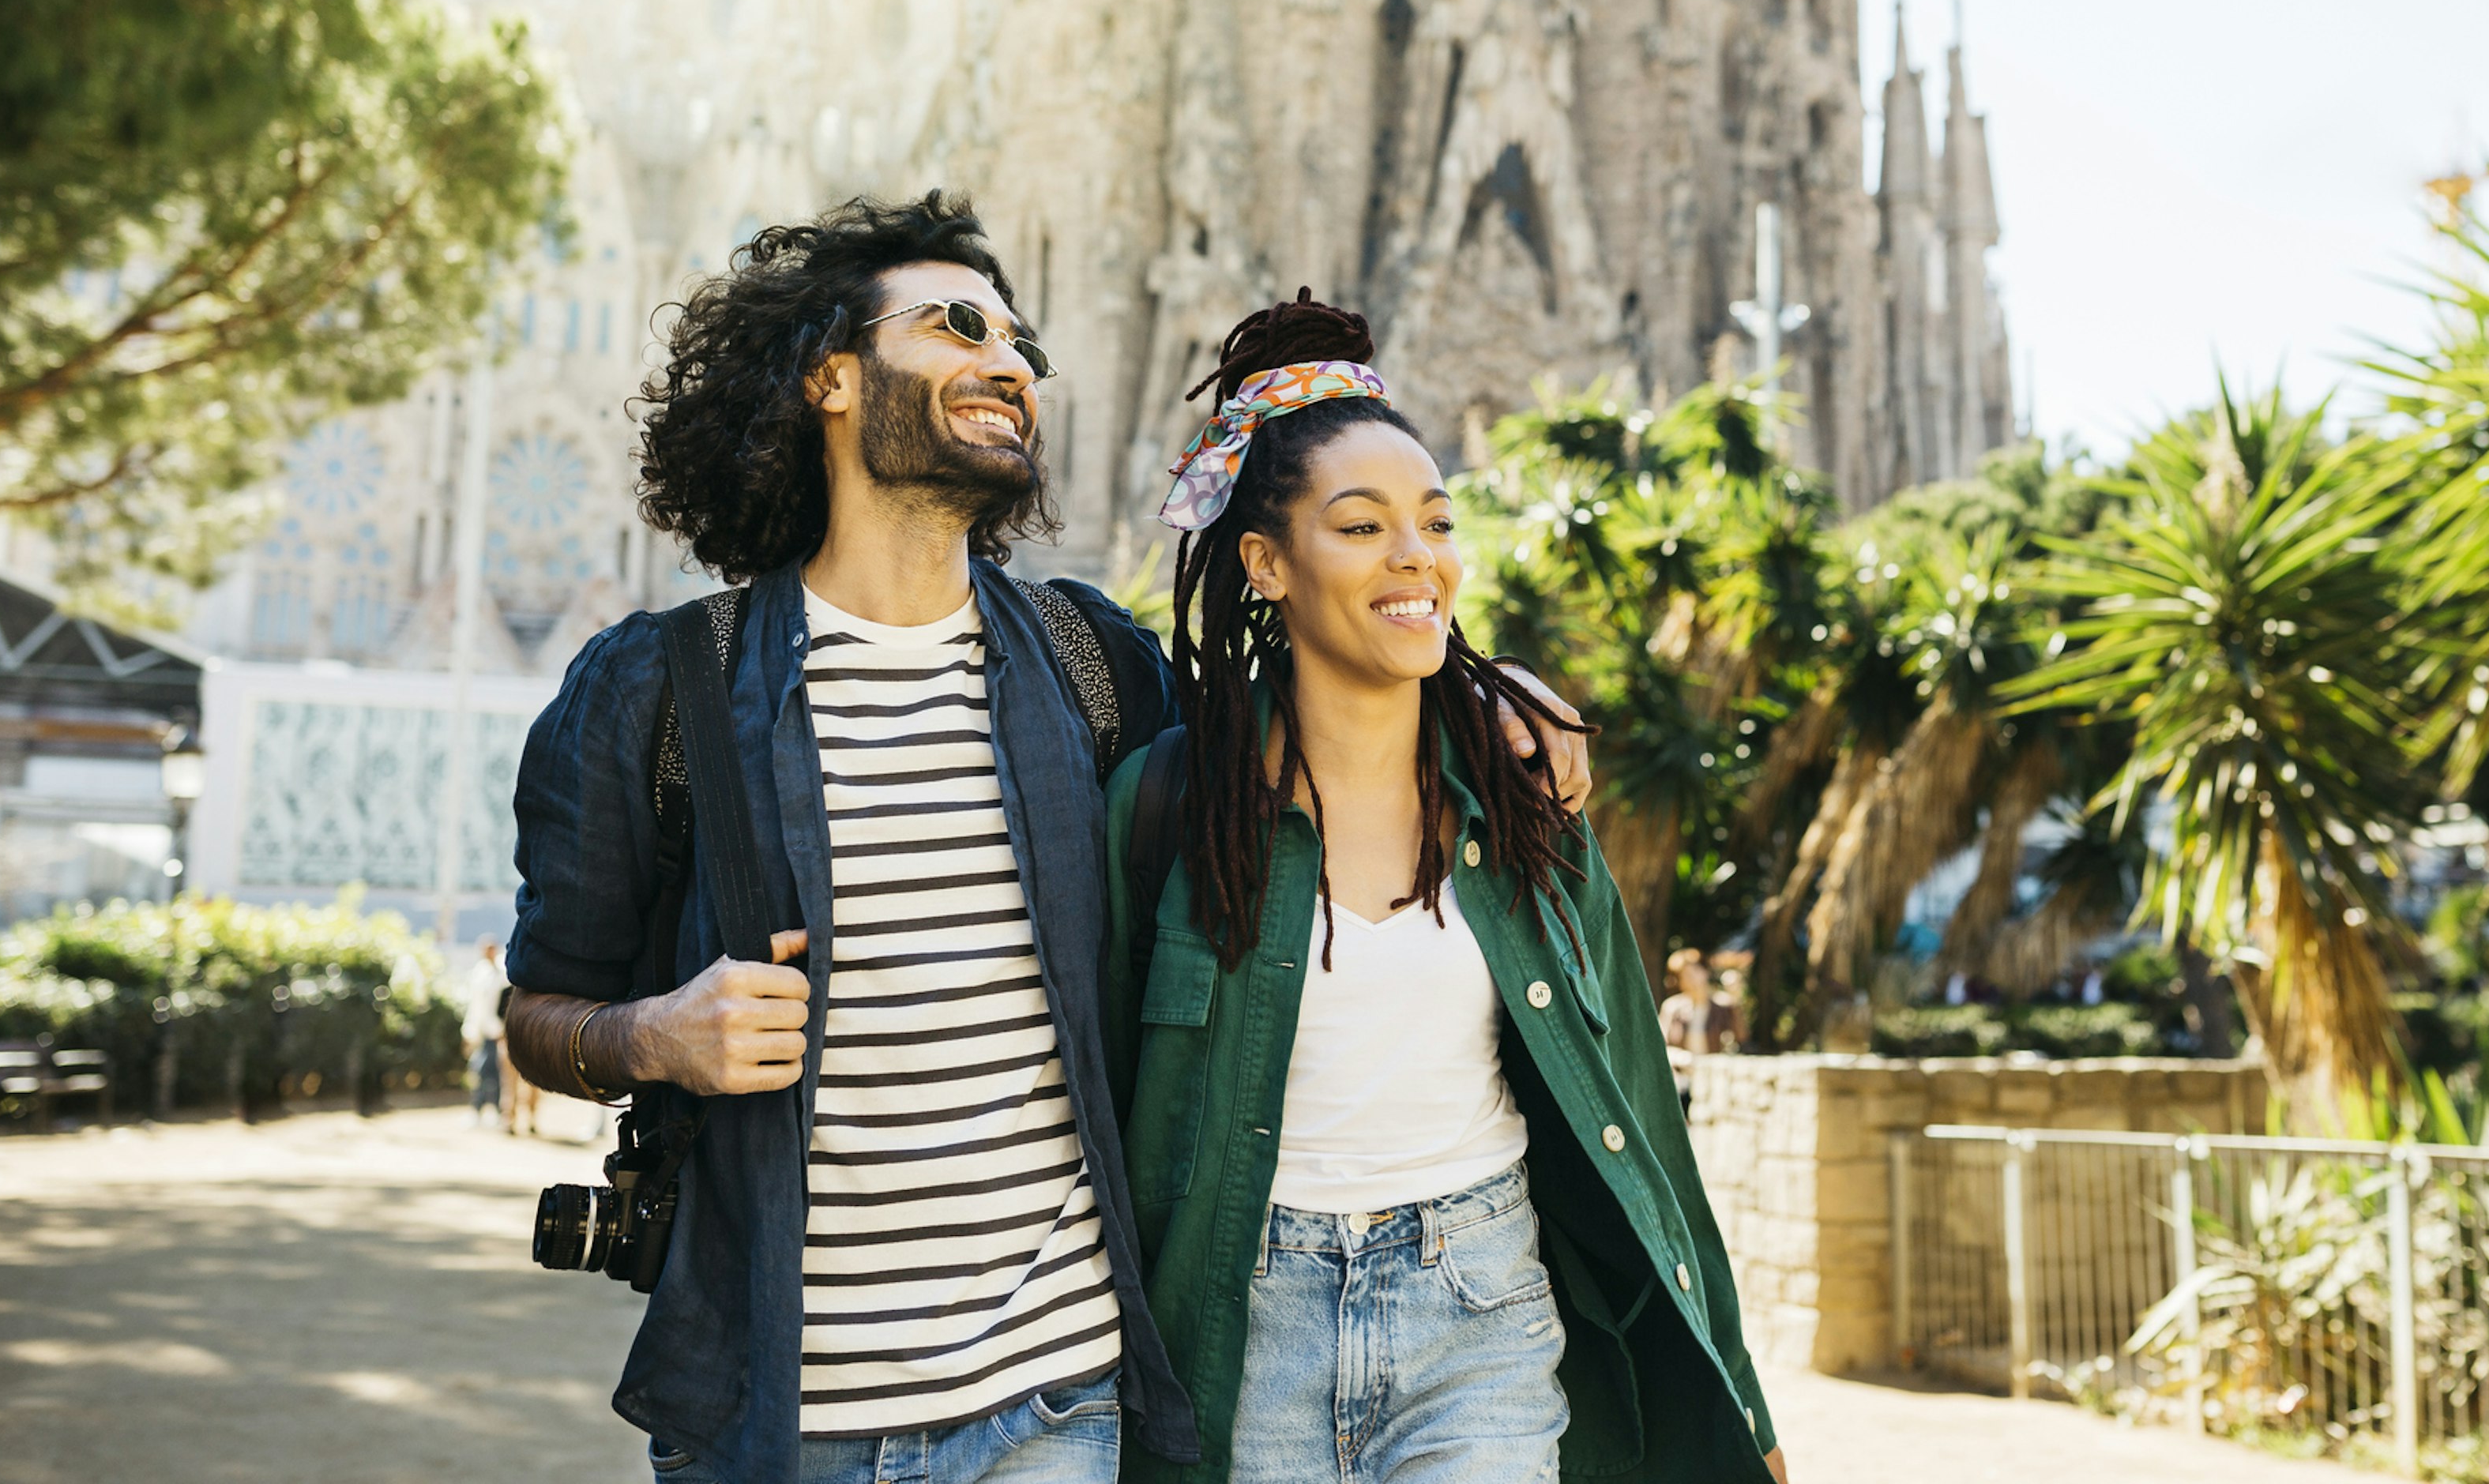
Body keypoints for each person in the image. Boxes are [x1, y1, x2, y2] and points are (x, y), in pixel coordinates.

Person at [498, 194, 1589, 1484]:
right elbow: (539, 1014)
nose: (1008, 362)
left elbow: (1318, 731)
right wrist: (652, 1035)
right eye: (958, 323)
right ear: (828, 376)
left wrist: (1486, 692)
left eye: (1024, 345)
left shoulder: (1091, 669)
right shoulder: (659, 693)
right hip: (780, 1422)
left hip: (1058, 1412)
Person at [1104, 293, 1786, 1484]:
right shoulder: (1170, 809)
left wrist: (1740, 1401)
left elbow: (1638, 1104)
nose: (1415, 554)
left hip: (1479, 1312)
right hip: (1245, 1327)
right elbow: (1104, 1107)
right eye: (1361, 526)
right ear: (1266, 563)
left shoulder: (1525, 800)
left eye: (1435, 520)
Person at [1657, 947, 1740, 1107]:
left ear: (1705, 972)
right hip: (1682, 1083)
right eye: (1685, 975)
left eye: (1695, 972)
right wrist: (1680, 1057)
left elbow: (1741, 1042)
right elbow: (1658, 1049)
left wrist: (1736, 1001)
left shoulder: (1724, 1006)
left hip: (1715, 1081)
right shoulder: (1672, 1008)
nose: (1692, 979)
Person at [465, 939, 507, 1126]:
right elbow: (475, 1005)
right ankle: (479, 1109)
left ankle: (493, 1110)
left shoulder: (502, 972)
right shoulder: (479, 972)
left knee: (492, 1072)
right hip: (481, 1031)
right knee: (481, 1071)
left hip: (495, 1032)